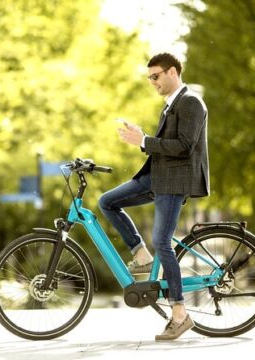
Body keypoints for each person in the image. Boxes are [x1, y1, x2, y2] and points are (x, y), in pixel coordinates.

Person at [98, 52, 209, 341]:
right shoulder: (170, 106)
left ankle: (180, 314)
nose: (152, 82)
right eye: (150, 78)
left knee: (162, 241)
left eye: (156, 76)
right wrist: (144, 138)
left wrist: (145, 141)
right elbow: (165, 145)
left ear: (172, 72)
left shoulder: (191, 102)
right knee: (106, 202)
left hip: (174, 180)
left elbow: (184, 146)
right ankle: (141, 255)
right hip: (156, 177)